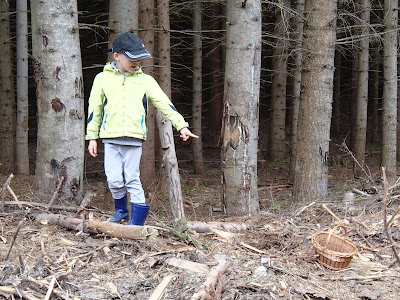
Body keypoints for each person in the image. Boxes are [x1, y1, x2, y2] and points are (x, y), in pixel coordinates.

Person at [86, 32, 198, 226]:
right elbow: (94, 110)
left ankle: (137, 223)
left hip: (134, 138)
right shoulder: (102, 79)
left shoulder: (146, 80)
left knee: (132, 179)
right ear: (117, 56)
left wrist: (182, 125)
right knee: (113, 179)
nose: (137, 62)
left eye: (140, 58)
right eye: (132, 57)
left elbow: (165, 104)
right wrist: (92, 137)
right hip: (110, 138)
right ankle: (121, 211)